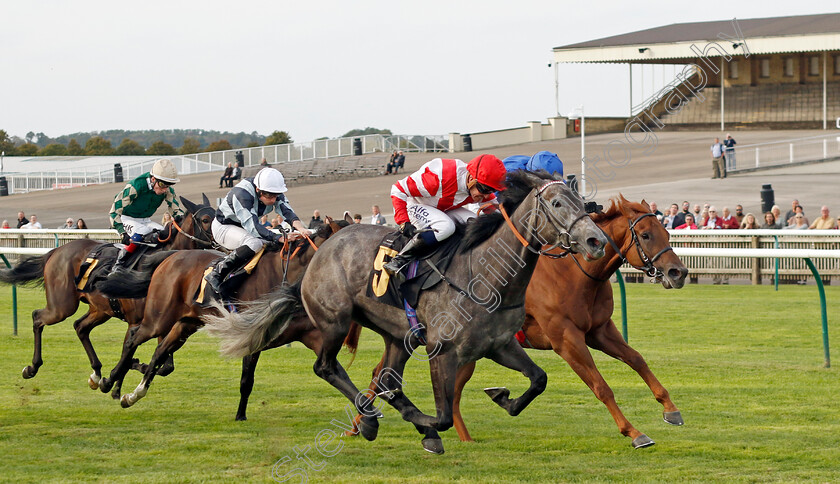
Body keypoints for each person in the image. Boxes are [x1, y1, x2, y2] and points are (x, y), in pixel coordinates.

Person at [383, 154, 507, 276]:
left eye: (491, 191)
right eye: (485, 190)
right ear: (471, 179)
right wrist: (404, 221)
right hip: (413, 204)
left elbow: (496, 210)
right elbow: (398, 189)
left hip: (442, 208)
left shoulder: (479, 187)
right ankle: (400, 259)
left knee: (476, 222)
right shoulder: (438, 178)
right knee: (446, 227)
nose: (486, 195)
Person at [205, 167, 309, 293]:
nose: (273, 200)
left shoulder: (272, 190)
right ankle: (217, 273)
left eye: (275, 195)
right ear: (258, 190)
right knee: (255, 243)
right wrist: (278, 238)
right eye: (269, 196)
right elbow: (253, 226)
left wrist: (301, 229)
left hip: (243, 228)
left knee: (272, 243)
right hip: (223, 227)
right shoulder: (242, 194)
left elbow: (287, 211)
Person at [108, 158, 185, 274]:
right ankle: (119, 264)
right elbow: (114, 211)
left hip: (146, 220)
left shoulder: (167, 190)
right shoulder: (135, 186)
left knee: (164, 234)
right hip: (126, 218)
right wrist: (121, 231)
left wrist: (180, 219)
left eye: (169, 185)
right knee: (141, 233)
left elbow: (177, 210)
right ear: (153, 179)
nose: (165, 189)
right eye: (163, 184)